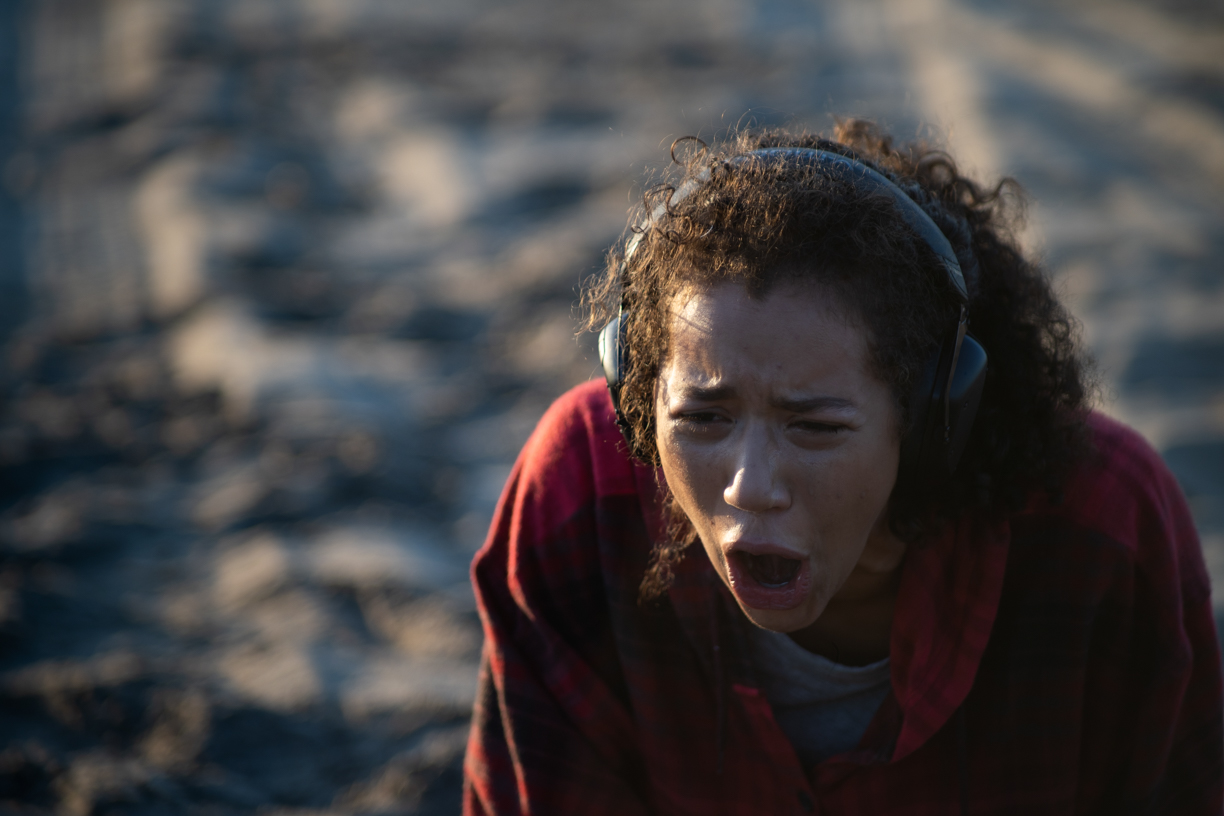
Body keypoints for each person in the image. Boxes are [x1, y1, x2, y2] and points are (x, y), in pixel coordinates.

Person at [461, 121, 1223, 815]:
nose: (750, 486)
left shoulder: (1105, 525)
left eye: (816, 427)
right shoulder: (579, 487)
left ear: (932, 423)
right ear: (639, 403)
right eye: (702, 419)